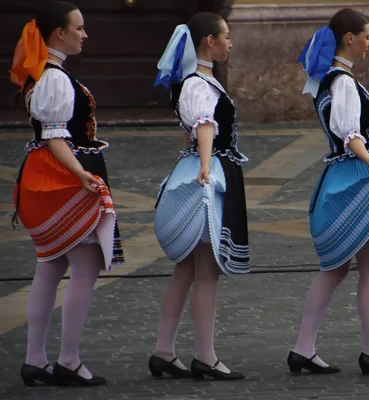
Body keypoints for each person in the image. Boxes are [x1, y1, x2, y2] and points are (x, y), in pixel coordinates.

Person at [287, 8, 369, 376]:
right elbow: (349, 133)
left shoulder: (328, 80)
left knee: (338, 268)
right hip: (356, 177)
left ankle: (305, 348)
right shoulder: (343, 83)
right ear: (349, 38)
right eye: (367, 36)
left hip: (340, 174)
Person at [10, 1, 124, 387]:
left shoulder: (42, 74)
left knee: (50, 264)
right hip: (62, 176)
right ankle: (69, 360)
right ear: (58, 33)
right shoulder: (56, 78)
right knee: (85, 267)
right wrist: (81, 174)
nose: (84, 34)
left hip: (41, 175)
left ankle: (35, 359)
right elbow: (55, 136)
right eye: (78, 28)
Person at [149, 11, 249, 381]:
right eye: (226, 35)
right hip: (210, 175)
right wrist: (206, 166)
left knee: (188, 268)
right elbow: (202, 126)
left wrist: (198, 157)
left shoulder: (199, 81)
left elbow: (191, 130)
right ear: (210, 41)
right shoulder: (198, 84)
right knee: (206, 269)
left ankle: (164, 351)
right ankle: (204, 356)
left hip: (206, 168)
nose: (230, 42)